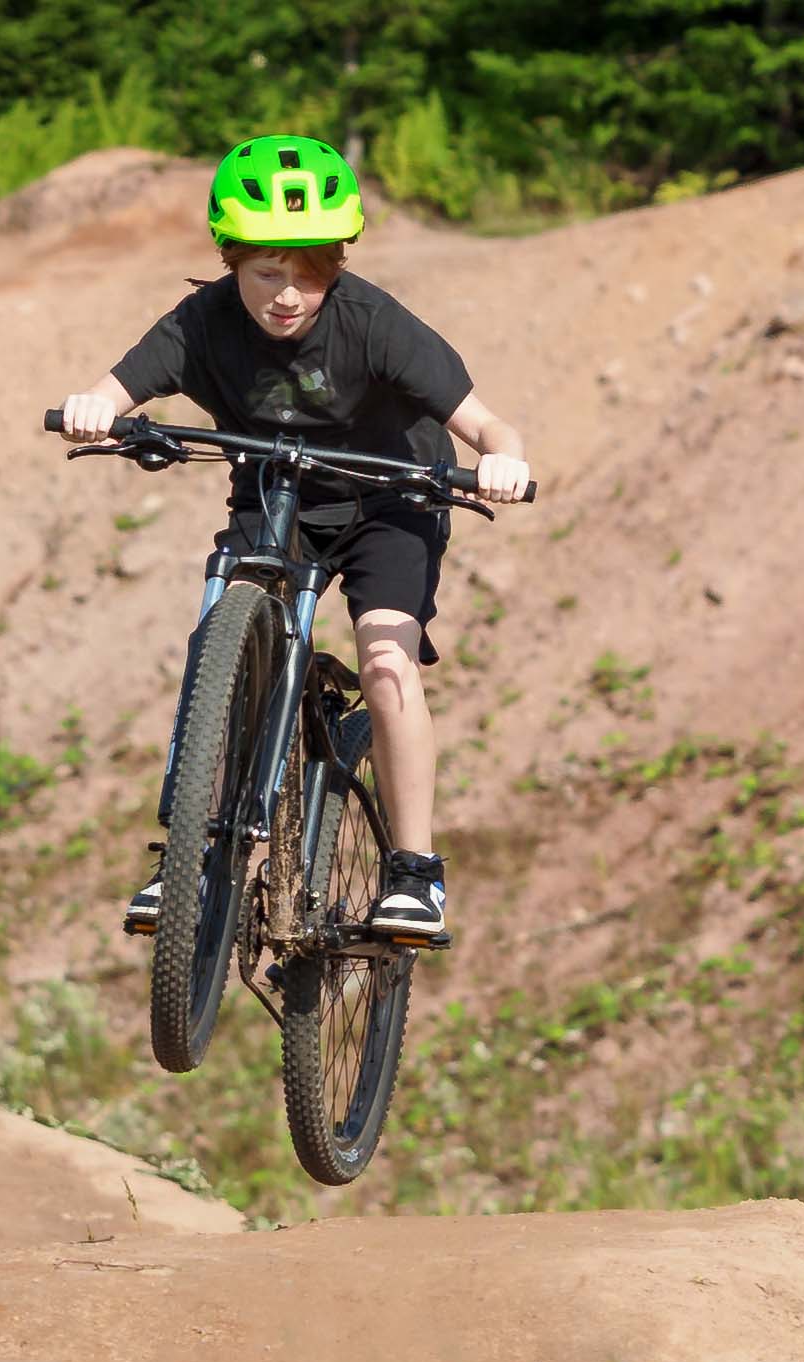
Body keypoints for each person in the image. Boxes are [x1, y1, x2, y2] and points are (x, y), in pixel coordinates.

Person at [56, 133, 530, 943]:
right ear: (231, 258)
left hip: (393, 499)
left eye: (307, 271)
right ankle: (196, 861)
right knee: (226, 648)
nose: (286, 294)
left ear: (335, 263)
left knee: (385, 659)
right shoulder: (202, 323)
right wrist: (94, 407)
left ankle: (414, 873)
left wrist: (504, 459)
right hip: (277, 494)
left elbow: (486, 421)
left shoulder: (373, 323)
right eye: (266, 271)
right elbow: (111, 389)